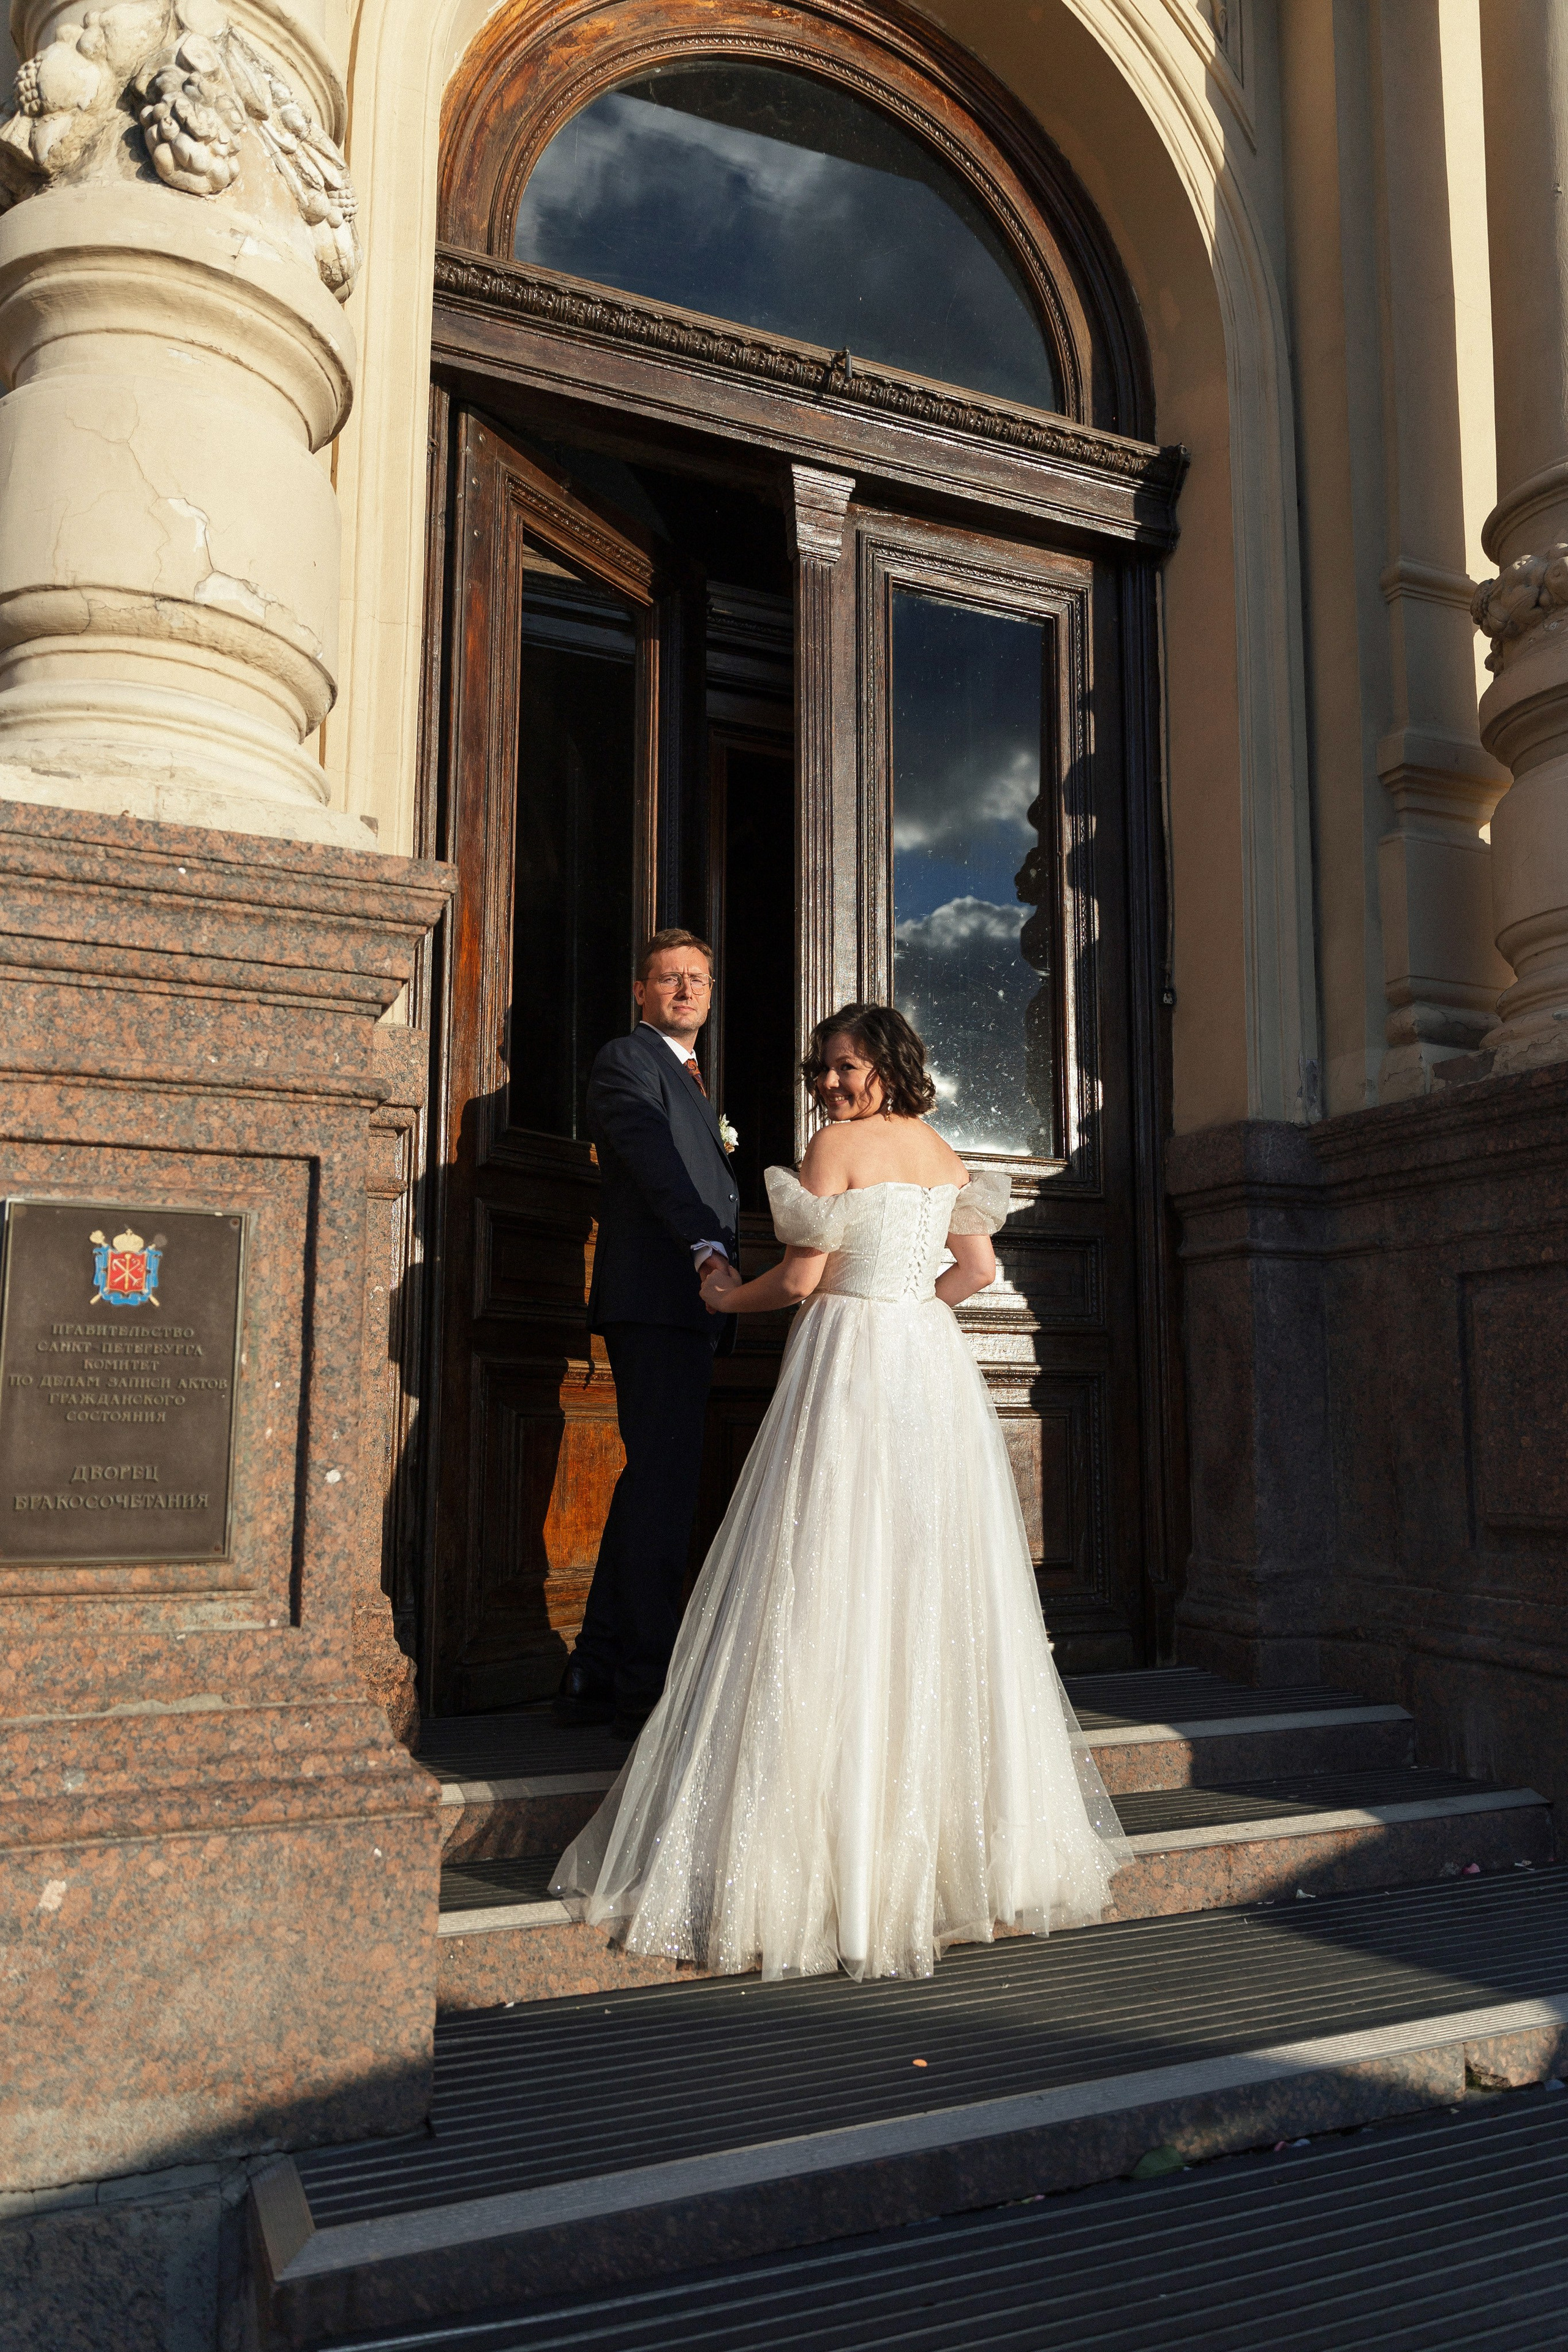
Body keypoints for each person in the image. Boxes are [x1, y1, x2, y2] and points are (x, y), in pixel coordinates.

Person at [552, 1003, 1129, 1979]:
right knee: (916, 1576)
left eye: (846, 1067)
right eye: (823, 1068)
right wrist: (910, 1309)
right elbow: (977, 1268)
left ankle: (837, 1866)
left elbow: (802, 1278)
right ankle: (955, 1865)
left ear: (888, 1067)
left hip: (854, 1363)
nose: (829, 1084)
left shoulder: (836, 1150)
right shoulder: (945, 1152)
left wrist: (729, 1296)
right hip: (928, 1367)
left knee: (829, 1564)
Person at [556, 928, 739, 1741]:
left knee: (653, 1483)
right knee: (662, 1489)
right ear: (641, 992)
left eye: (697, 979)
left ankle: (597, 1666)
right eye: (669, 980)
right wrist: (706, 1247)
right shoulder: (629, 1062)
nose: (685, 991)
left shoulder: (692, 1079)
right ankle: (646, 1681)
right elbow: (654, 1157)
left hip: (689, 1306)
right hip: (660, 1296)